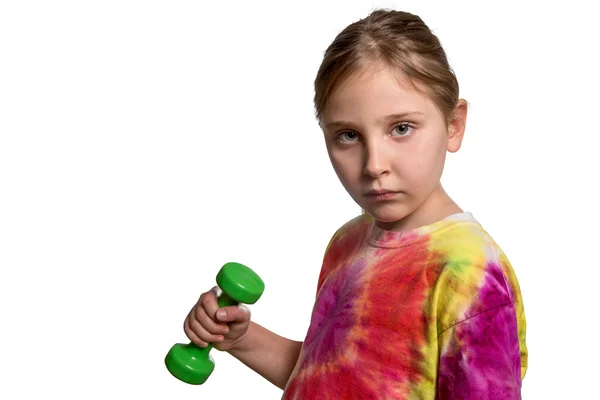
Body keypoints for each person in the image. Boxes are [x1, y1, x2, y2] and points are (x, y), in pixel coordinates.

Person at [183, 8, 528, 399]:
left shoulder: (468, 275)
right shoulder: (348, 241)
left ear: (453, 125)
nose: (374, 165)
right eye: (348, 136)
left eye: (401, 128)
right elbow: (327, 375)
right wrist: (239, 337)